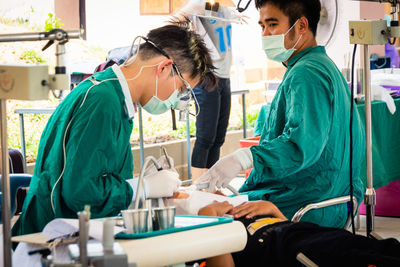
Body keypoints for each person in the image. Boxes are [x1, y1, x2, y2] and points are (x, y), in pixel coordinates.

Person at [12, 19, 216, 236]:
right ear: (164, 67)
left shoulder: (114, 97)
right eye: (181, 88)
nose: (177, 100)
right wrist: (142, 187)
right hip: (53, 239)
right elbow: (80, 193)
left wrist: (142, 186)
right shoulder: (102, 101)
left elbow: (95, 173)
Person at [196, 0, 366, 228]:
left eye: (273, 25)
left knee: (210, 221)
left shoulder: (306, 74)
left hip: (305, 205)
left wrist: (244, 158)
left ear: (302, 26)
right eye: (262, 26)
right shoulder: (319, 65)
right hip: (321, 196)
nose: (266, 34)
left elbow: (301, 146)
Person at [198, 201, 400, 267]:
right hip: (310, 251)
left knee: (386, 248)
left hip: (324, 237)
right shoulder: (213, 235)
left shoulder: (244, 211)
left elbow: (287, 229)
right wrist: (208, 216)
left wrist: (273, 210)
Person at [179, 0, 239, 179]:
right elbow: (178, 17)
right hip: (207, 77)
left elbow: (235, 8)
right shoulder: (200, 6)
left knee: (219, 138)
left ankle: (210, 185)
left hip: (225, 75)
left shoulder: (226, 8)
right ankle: (198, 186)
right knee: (205, 137)